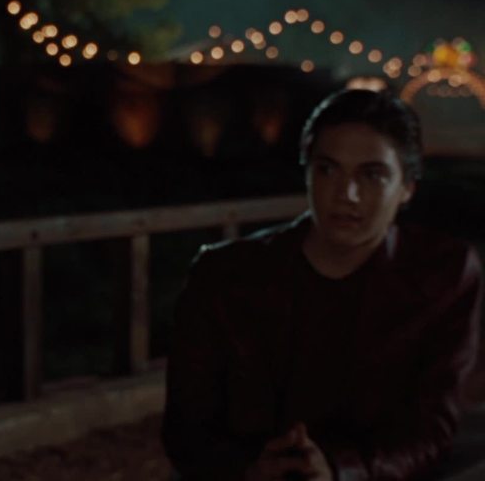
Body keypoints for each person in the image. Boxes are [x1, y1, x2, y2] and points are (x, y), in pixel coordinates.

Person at [162, 89, 483, 481]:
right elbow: (186, 427)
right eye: (328, 170)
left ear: (407, 188)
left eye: (372, 175)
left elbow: (431, 428)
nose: (346, 194)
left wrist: (339, 471)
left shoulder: (442, 274)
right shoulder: (225, 275)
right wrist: (248, 469)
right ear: (307, 173)